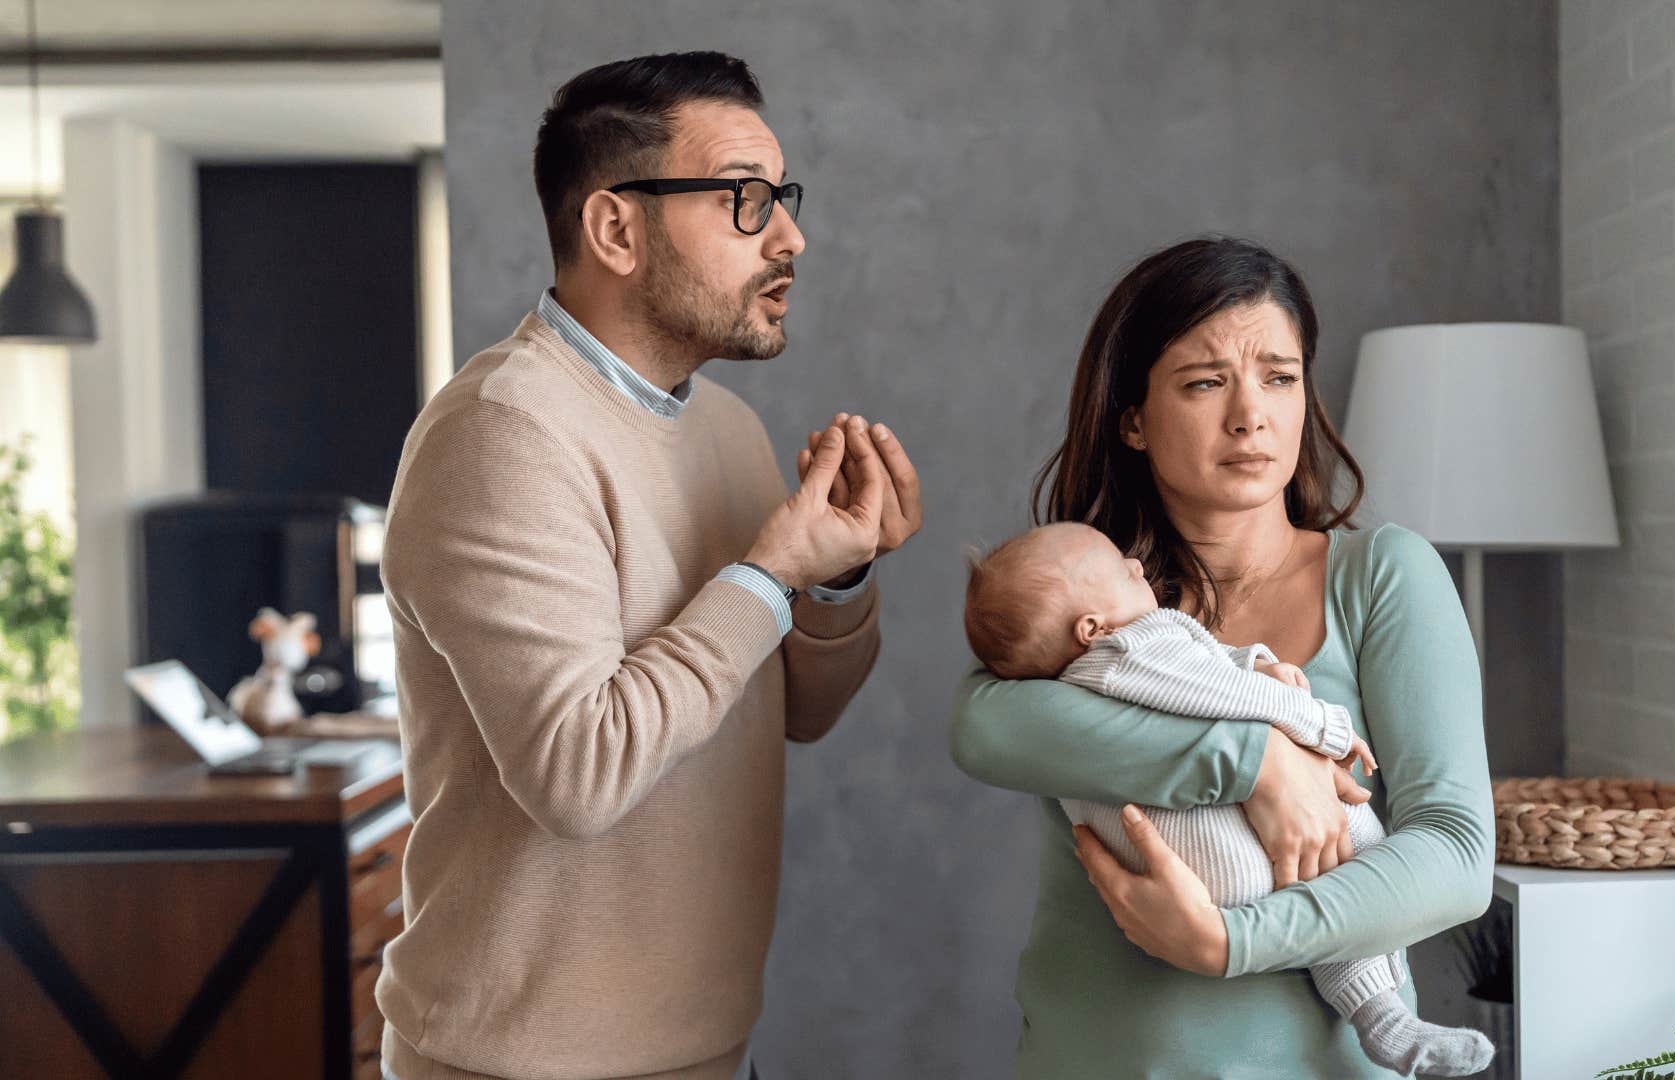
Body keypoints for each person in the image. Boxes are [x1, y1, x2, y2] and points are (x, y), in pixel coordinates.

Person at [377, 52, 921, 1080]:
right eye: (747, 202)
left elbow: (791, 710)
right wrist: (768, 572)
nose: (792, 237)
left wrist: (835, 580)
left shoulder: (728, 430)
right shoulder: (503, 435)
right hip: (522, 1066)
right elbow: (579, 774)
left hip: (709, 1049)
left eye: (783, 201)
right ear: (617, 228)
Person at [948, 236, 1494, 1077]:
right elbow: (983, 729)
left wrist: (1229, 943)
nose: (1252, 415)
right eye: (1205, 383)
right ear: (1132, 418)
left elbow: (1455, 855)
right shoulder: (1085, 607)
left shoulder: (1383, 575)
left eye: (1279, 376)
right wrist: (1256, 762)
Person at [962, 521, 1494, 1075]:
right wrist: (1305, 735)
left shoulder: (1379, 571)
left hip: (1215, 903)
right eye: (1120, 569)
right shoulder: (1125, 648)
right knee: (1353, 835)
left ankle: (1381, 1017)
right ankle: (1378, 1013)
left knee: (1338, 852)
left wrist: (1257, 664)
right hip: (1218, 874)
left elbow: (1455, 853)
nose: (1136, 568)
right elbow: (1208, 686)